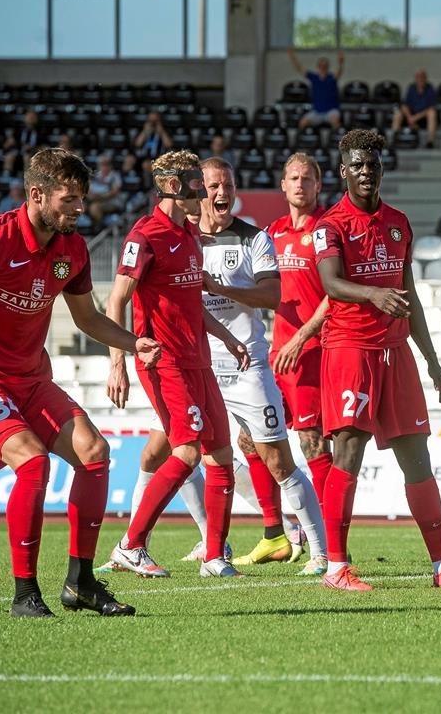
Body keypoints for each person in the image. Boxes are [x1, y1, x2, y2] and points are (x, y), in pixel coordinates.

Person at [0, 148, 159, 618]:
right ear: (36, 194)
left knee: (95, 453)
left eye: (82, 200)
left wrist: (134, 344)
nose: (78, 209)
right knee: (32, 462)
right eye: (69, 199)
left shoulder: (72, 249)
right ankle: (25, 593)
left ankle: (82, 583)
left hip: (30, 378)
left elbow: (87, 318)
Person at [313, 128, 441, 591]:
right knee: (347, 452)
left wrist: (432, 360)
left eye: (374, 164)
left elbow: (411, 298)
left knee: (417, 456)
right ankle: (335, 567)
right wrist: (373, 294)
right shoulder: (331, 225)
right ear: (344, 171)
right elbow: (330, 282)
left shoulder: (399, 222)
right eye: (358, 165)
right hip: (350, 350)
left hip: (396, 353)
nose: (367, 172)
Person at [162, 157, 329, 574]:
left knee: (278, 459)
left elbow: (273, 296)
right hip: (197, 365)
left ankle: (322, 552)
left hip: (247, 364)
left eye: (228, 186)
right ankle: (212, 548)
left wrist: (218, 287)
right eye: (214, 186)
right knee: (179, 451)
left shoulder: (254, 239)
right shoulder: (182, 241)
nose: (222, 194)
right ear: (199, 190)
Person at [104, 150, 250, 579]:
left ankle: (215, 557)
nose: (204, 192)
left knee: (221, 456)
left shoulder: (188, 236)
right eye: (195, 184)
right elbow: (116, 301)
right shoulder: (144, 236)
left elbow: (192, 304)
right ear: (171, 186)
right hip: (163, 362)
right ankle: (130, 546)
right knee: (186, 452)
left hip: (199, 360)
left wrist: (228, 338)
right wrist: (119, 362)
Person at [267, 153, 335, 525]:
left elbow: (335, 292)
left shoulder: (325, 229)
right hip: (277, 354)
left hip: (311, 352)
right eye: (293, 177)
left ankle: (330, 543)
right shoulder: (273, 231)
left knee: (313, 444)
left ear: (318, 185)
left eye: (307, 179)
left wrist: (300, 338)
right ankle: (276, 531)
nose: (299, 184)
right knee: (253, 441)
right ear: (283, 184)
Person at [288, 48, 345, 130]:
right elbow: (300, 68)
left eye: (325, 66)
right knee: (302, 123)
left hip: (331, 111)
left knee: (335, 122)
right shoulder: (313, 77)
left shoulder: (331, 77)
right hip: (317, 112)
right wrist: (292, 57)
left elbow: (339, 72)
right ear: (318, 67)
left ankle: (340, 142)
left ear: (327, 67)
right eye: (321, 65)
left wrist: (340, 63)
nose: (323, 67)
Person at [391, 69, 439, 149]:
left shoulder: (430, 89)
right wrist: (410, 117)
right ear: (415, 79)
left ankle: (430, 141)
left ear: (425, 78)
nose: (420, 79)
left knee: (432, 113)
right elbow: (404, 105)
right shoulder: (411, 88)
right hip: (411, 118)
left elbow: (431, 107)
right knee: (398, 113)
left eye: (422, 77)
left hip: (423, 119)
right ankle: (395, 139)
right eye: (418, 77)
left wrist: (415, 118)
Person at [85, 154, 124, 224]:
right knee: (80, 206)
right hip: (95, 200)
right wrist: (90, 196)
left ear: (110, 165)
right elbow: (87, 190)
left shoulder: (115, 175)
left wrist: (101, 197)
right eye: (102, 164)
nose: (105, 167)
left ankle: (100, 227)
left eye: (107, 164)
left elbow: (115, 192)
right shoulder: (95, 175)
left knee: (94, 207)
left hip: (111, 201)